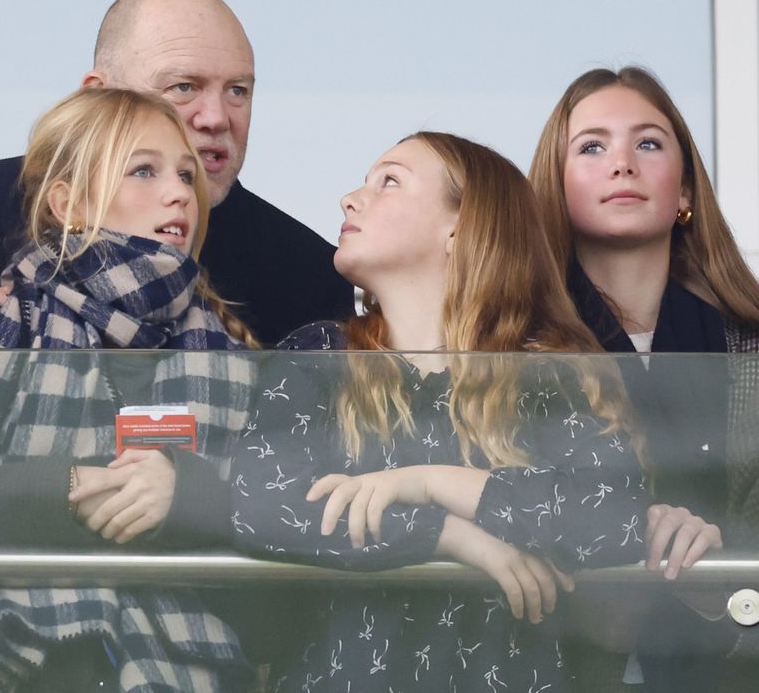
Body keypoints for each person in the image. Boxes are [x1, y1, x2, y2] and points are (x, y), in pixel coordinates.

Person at [230, 131, 649, 691]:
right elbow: (259, 504)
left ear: (460, 227)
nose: (350, 199)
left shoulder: (546, 373)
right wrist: (448, 537)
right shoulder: (319, 355)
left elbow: (616, 520)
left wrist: (430, 482)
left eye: (390, 181)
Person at [0, 87, 257, 692]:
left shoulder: (239, 356)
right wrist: (65, 485)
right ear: (67, 202)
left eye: (185, 174)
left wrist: (184, 494)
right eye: (143, 170)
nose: (179, 191)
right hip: (14, 666)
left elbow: (279, 518)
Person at [0, 0, 354, 348]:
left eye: (238, 91)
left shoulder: (306, 272)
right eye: (184, 87)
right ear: (98, 95)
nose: (216, 118)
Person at [529, 66, 759, 691]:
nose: (622, 163)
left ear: (684, 191)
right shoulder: (508, 347)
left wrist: (724, 578)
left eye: (648, 143)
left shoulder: (749, 348)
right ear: (558, 185)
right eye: (593, 146)